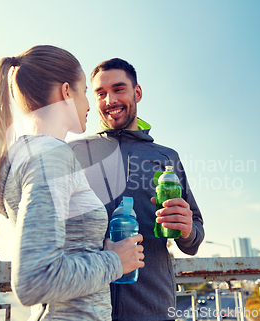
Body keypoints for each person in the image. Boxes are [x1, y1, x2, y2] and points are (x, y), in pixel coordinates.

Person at [0, 46, 144, 321]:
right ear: (66, 92)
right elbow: (34, 280)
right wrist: (116, 261)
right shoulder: (51, 156)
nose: (90, 105)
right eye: (84, 93)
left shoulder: (27, 153)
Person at [69, 58, 205, 321]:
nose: (110, 100)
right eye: (100, 93)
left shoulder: (166, 157)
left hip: (153, 310)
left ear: (137, 93)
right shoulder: (75, 153)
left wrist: (187, 229)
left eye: (119, 89)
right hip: (86, 310)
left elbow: (194, 238)